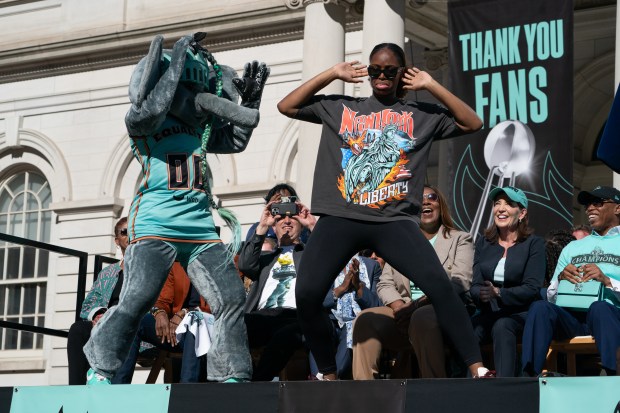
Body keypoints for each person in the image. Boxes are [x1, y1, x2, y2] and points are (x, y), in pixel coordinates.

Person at [277, 42, 492, 380]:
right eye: (375, 70)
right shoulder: (340, 106)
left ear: (402, 74)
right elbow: (286, 105)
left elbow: (473, 122)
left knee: (440, 285)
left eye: (389, 71)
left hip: (392, 220)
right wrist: (333, 73)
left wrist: (430, 85)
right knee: (305, 294)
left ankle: (477, 367)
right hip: (341, 216)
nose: (381, 76)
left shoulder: (422, 114)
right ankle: (329, 374)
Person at [83, 33, 270, 384]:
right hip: (156, 224)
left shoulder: (199, 127)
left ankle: (231, 373)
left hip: (199, 228)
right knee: (137, 298)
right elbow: (150, 107)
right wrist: (177, 62)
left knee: (230, 298)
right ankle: (101, 365)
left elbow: (238, 139)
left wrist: (253, 96)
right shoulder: (143, 123)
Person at [352, 185, 474, 379]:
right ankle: (366, 395)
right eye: (420, 198)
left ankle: (434, 392)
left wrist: (415, 307)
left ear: (440, 206)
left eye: (431, 197)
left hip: (441, 314)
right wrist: (399, 307)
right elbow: (385, 283)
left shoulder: (460, 239)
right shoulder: (401, 244)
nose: (425, 201)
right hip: (403, 315)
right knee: (365, 320)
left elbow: (460, 283)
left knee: (422, 317)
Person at [521, 186, 620, 376]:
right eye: (587, 204)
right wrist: (560, 279)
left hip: (611, 315)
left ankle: (614, 380)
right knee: (540, 307)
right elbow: (551, 297)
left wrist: (606, 280)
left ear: (617, 208)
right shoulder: (572, 247)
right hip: (573, 318)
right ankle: (529, 378)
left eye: (597, 203)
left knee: (599, 308)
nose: (590, 208)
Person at [237, 198, 316, 381]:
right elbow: (245, 264)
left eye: (293, 217)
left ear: (301, 225)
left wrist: (312, 224)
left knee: (287, 335)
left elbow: (330, 255)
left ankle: (257, 383)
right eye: (280, 217)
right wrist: (262, 226)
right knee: (231, 328)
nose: (287, 221)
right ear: (274, 226)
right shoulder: (266, 257)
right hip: (263, 316)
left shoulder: (310, 254)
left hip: (294, 317)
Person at [469, 186, 545, 377]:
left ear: (522, 213)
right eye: (497, 204)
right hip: (489, 311)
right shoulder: (483, 243)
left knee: (502, 326)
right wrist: (482, 294)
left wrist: (500, 293)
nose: (500, 209)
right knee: (469, 330)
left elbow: (532, 288)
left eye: (509, 204)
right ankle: (466, 392)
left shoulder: (533, 244)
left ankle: (505, 389)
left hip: (522, 312)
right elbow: (475, 285)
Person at [116, 262, 211, 383]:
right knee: (133, 322)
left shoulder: (217, 262)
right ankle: (118, 387)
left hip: (205, 326)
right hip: (175, 327)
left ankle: (186, 390)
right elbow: (163, 300)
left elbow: (218, 304)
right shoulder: (177, 264)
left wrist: (184, 312)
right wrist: (160, 313)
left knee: (194, 322)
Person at [67, 217, 130, 385]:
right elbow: (89, 303)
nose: (129, 235)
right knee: (78, 329)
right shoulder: (108, 273)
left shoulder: (147, 269)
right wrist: (98, 315)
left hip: (131, 326)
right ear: (117, 241)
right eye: (124, 232)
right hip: (104, 324)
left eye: (133, 231)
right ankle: (76, 390)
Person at [309, 254, 382, 379]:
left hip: (357, 321)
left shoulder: (372, 266)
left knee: (352, 329)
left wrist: (358, 285)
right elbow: (315, 301)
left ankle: (325, 381)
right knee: (318, 328)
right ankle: (321, 379)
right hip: (330, 319)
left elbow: (376, 305)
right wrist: (342, 288)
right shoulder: (323, 265)